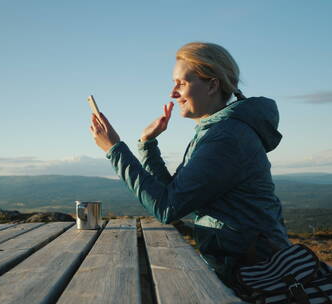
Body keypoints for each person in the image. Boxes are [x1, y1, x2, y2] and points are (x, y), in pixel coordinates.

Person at [88, 42, 291, 287]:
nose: (173, 93)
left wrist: (114, 149)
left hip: (253, 275)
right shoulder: (215, 132)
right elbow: (173, 194)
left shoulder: (226, 138)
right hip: (242, 266)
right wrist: (148, 143)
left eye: (181, 83)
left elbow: (167, 207)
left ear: (212, 85)